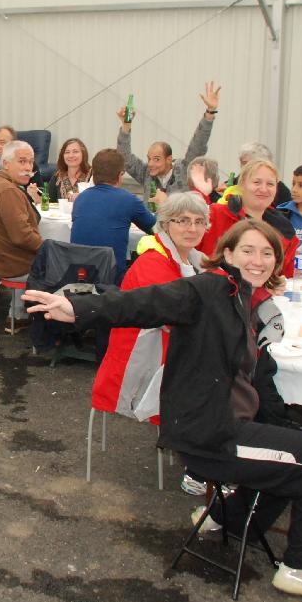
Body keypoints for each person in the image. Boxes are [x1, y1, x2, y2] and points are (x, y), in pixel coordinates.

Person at [23, 219, 302, 602]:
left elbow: (257, 378)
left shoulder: (248, 300)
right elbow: (146, 302)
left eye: (267, 253)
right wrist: (79, 308)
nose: (258, 260)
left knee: (299, 449)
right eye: (248, 250)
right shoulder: (210, 289)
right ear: (227, 254)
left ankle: (227, 518)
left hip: (227, 424)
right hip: (210, 435)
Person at [91, 192, 210, 492]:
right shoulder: (153, 263)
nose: (192, 228)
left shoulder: (194, 259)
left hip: (171, 347)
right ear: (166, 224)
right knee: (216, 383)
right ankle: (202, 466)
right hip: (143, 357)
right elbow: (176, 317)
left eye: (199, 222)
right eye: (183, 221)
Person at [194, 158, 299, 278]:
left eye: (270, 184)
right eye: (257, 182)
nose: (263, 189)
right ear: (242, 184)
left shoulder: (284, 230)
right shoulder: (214, 215)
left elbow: (286, 277)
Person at [115, 82, 219, 199]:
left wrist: (210, 112)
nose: (150, 164)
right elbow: (124, 158)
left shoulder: (185, 170)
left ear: (169, 159)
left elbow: (198, 144)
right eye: (149, 159)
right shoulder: (146, 174)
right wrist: (126, 125)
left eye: (156, 159)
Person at [69, 149, 156, 281]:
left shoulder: (81, 198)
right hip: (112, 280)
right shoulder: (128, 200)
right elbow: (155, 228)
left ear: (93, 174)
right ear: (120, 175)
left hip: (79, 277)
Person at [0, 140, 44, 323]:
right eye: (22, 161)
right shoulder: (8, 190)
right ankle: (52, 324)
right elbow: (22, 237)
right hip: (13, 264)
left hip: (1, 259)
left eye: (31, 162)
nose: (28, 167)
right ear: (6, 163)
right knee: (65, 265)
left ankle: (18, 314)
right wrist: (47, 248)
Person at [223, 142, 293, 207]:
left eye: (248, 163)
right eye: (242, 163)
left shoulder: (281, 191)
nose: (263, 189)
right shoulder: (231, 184)